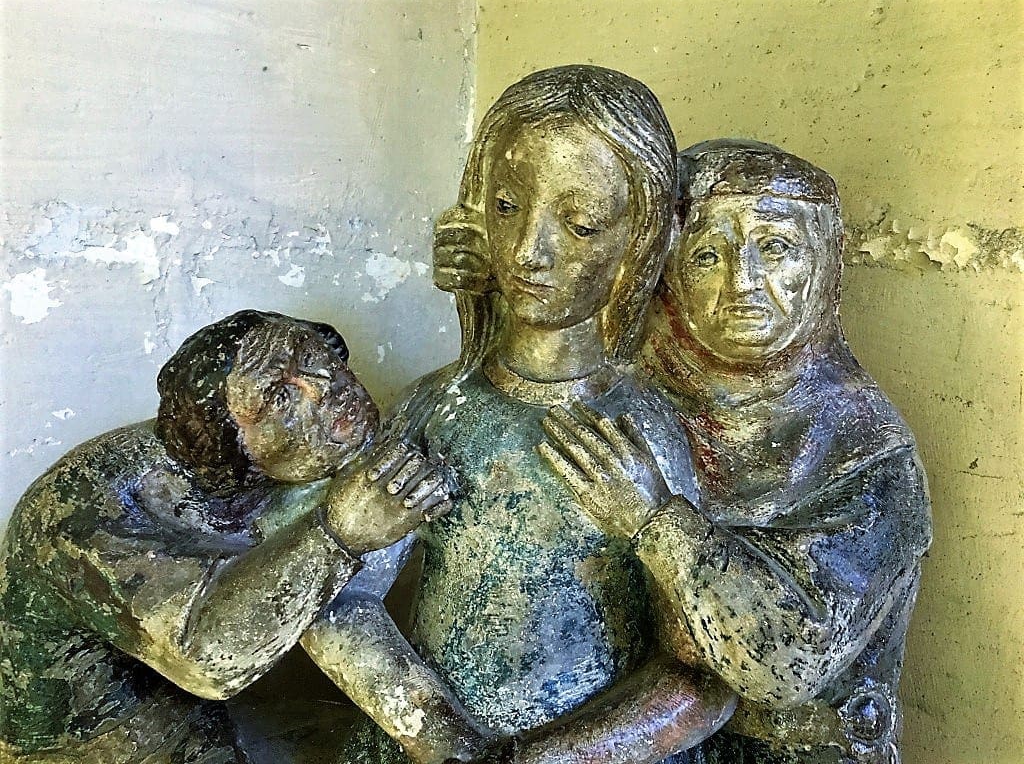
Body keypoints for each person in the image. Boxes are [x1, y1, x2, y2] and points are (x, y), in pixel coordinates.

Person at [301, 66, 735, 764]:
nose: (530, 251)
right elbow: (338, 603)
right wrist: (447, 742)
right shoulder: (438, 409)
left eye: (581, 222)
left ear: (639, 238)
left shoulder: (644, 432)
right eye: (506, 207)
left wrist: (544, 758)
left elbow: (702, 673)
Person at [541, 140, 932, 764]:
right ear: (665, 273)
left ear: (825, 265)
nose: (741, 283)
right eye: (706, 255)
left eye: (775, 248)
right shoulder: (641, 403)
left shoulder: (866, 452)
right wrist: (484, 298)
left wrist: (656, 523)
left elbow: (789, 661)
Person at [0, 310, 450, 763]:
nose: (324, 388)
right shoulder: (91, 506)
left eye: (314, 357)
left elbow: (341, 601)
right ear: (227, 437)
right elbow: (207, 660)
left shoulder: (299, 462)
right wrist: (338, 536)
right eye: (279, 398)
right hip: (93, 736)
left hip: (200, 708)